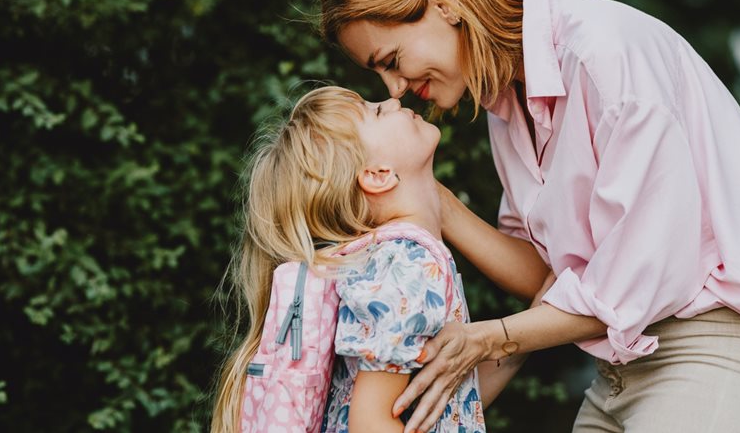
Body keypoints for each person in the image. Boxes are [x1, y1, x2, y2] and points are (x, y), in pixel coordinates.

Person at [318, 0, 740, 433]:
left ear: (443, 0)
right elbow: (552, 278)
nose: (394, 88)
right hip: (620, 371)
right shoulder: (509, 98)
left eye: (391, 59)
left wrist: (490, 339)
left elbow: (628, 285)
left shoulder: (605, 59)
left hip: (714, 355)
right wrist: (426, 198)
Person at [211, 86, 532, 433]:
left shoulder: (386, 259)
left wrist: (525, 337)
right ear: (378, 175)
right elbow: (371, 424)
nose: (393, 100)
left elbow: (439, 406)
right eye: (376, 112)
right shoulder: (407, 263)